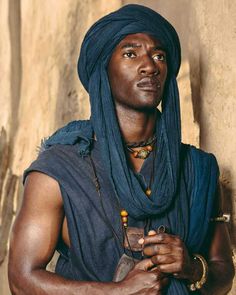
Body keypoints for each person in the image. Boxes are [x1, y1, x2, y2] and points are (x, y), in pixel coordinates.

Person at [8, 4, 234, 295]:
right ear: (104, 68)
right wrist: (117, 292)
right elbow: (21, 281)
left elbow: (223, 274)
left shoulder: (197, 168)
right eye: (131, 53)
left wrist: (191, 267)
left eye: (159, 56)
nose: (150, 65)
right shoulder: (58, 170)